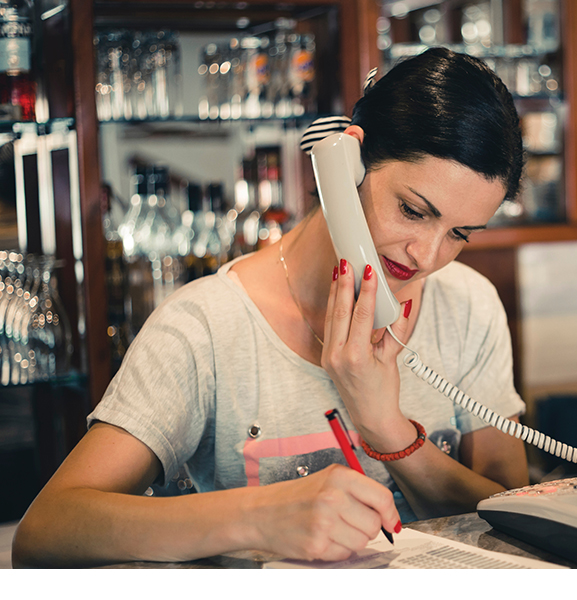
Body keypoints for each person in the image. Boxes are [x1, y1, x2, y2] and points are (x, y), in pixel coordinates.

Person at [12, 47, 529, 568]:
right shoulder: (206, 327)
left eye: (459, 234)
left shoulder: (468, 305)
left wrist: (386, 429)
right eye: (413, 211)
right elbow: (47, 533)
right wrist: (259, 515)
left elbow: (520, 524)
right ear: (343, 164)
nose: (427, 256)